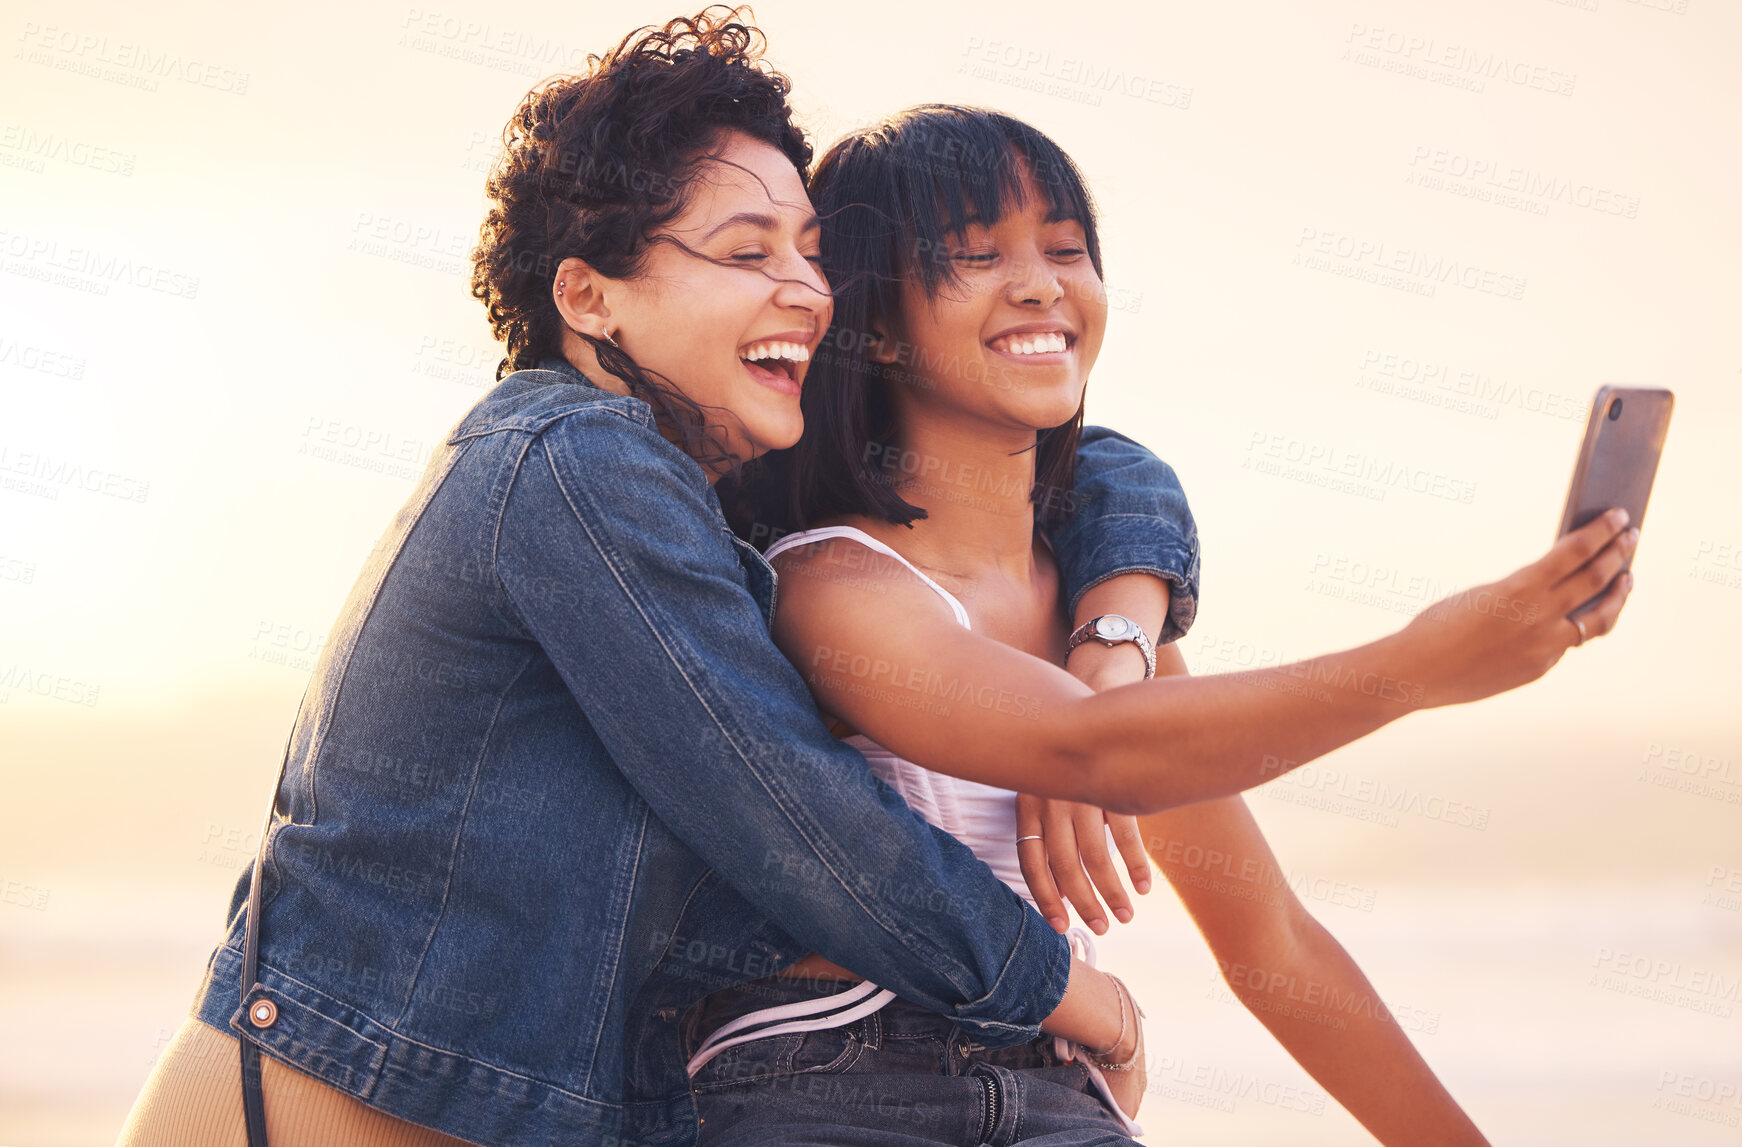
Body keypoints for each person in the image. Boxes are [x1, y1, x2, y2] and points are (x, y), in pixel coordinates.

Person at [116, 13, 1204, 1147]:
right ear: (587, 297)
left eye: (810, 254)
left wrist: (1112, 620)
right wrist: (1079, 998)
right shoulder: (576, 462)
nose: (805, 291)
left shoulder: (701, 509)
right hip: (321, 1102)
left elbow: (1086, 460)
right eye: (746, 253)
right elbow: (802, 819)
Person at [693, 104, 1636, 1145]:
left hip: (1053, 1092)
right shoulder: (834, 581)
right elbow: (1091, 749)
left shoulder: (1115, 629)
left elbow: (1271, 943)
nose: (1041, 284)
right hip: (837, 1086)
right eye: (975, 255)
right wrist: (1420, 665)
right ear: (871, 322)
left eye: (1064, 248)